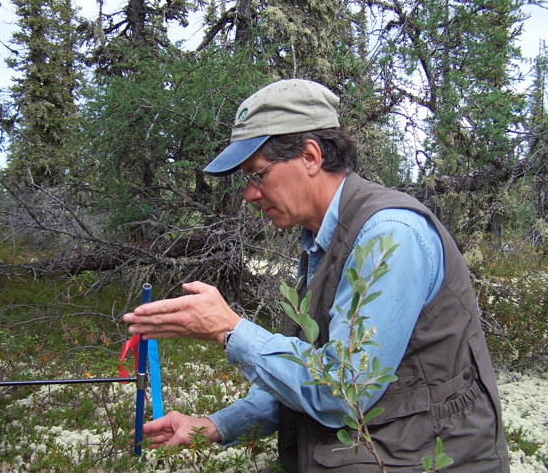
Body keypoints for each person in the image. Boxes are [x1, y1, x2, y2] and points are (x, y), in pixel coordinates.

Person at [122, 79, 510, 472]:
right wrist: (214, 426)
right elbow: (308, 377)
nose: (249, 194)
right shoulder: (320, 239)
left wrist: (228, 330)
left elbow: (343, 390)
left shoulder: (389, 235)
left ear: (310, 156)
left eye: (257, 174)